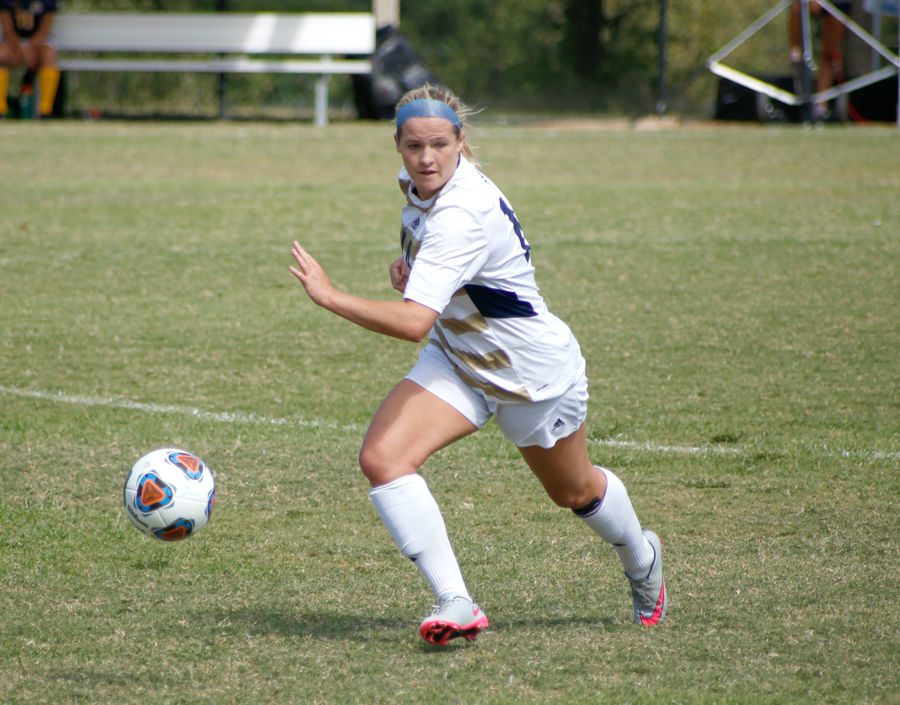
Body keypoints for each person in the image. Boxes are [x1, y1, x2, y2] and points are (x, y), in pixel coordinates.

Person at [288, 84, 667, 646]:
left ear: (461, 142)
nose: (426, 157)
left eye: (440, 144)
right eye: (414, 145)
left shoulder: (461, 212)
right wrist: (410, 266)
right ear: (396, 145)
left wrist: (330, 295)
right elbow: (439, 267)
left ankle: (643, 559)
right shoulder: (420, 187)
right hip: (460, 358)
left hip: (528, 373)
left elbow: (414, 321)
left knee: (574, 492)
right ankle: (456, 602)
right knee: (384, 459)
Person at [789, 0, 851, 119]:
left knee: (829, 54)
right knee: (798, 7)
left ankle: (821, 107)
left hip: (839, 3)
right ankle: (795, 51)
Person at [0, 0, 61, 118]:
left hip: (38, 44)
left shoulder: (48, 2)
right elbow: (8, 31)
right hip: (13, 44)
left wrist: (29, 49)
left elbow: (44, 31)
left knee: (49, 54)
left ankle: (45, 111)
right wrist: (21, 49)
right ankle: (1, 109)